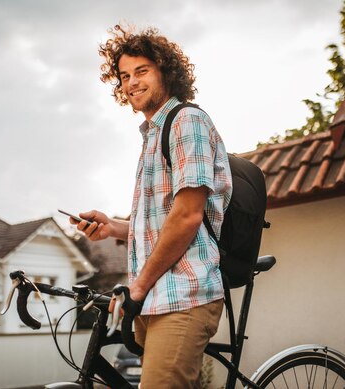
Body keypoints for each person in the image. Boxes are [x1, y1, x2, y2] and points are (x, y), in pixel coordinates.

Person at [71, 24, 232, 388]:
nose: (131, 83)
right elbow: (160, 225)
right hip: (156, 296)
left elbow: (188, 216)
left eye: (141, 71)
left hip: (184, 294)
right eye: (124, 76)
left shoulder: (186, 121)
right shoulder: (152, 137)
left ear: (166, 72)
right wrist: (113, 226)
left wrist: (137, 286)